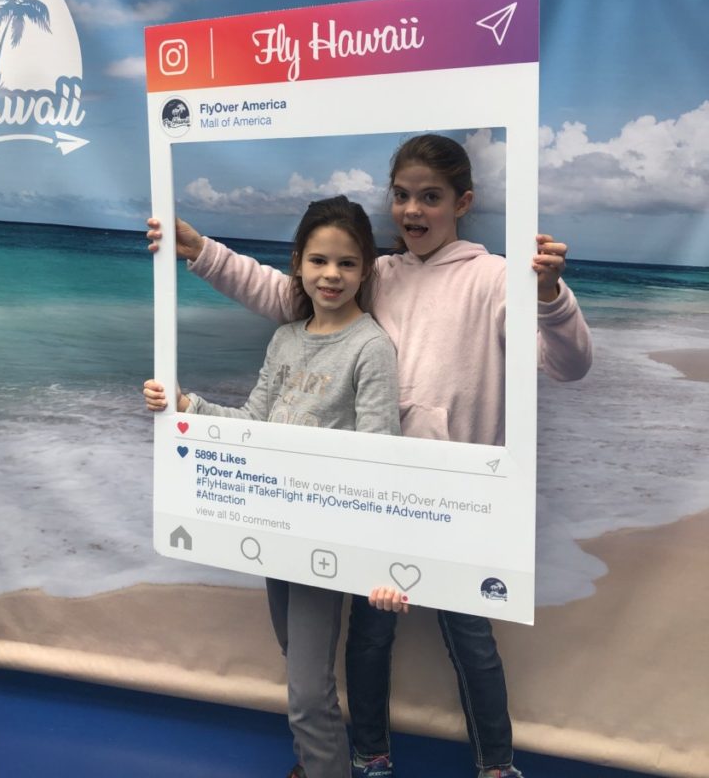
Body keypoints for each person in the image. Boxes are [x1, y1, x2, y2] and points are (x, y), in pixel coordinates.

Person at [147, 133, 592, 778]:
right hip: (372, 493)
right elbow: (291, 297)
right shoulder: (376, 271)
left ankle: (497, 766)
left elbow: (569, 365)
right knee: (370, 633)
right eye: (404, 195)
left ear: (462, 202)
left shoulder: (495, 277)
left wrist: (550, 295)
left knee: (470, 638)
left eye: (431, 197)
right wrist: (204, 253)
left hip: (457, 494)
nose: (414, 210)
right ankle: (369, 757)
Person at [144, 195, 401, 778]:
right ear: (297, 264)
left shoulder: (371, 347)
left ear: (367, 269)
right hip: (273, 523)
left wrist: (378, 554)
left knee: (307, 692)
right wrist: (188, 407)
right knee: (298, 662)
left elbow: (380, 455)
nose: (331, 275)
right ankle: (316, 763)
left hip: (324, 537)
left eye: (347, 264)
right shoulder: (285, 338)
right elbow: (255, 424)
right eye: (318, 261)